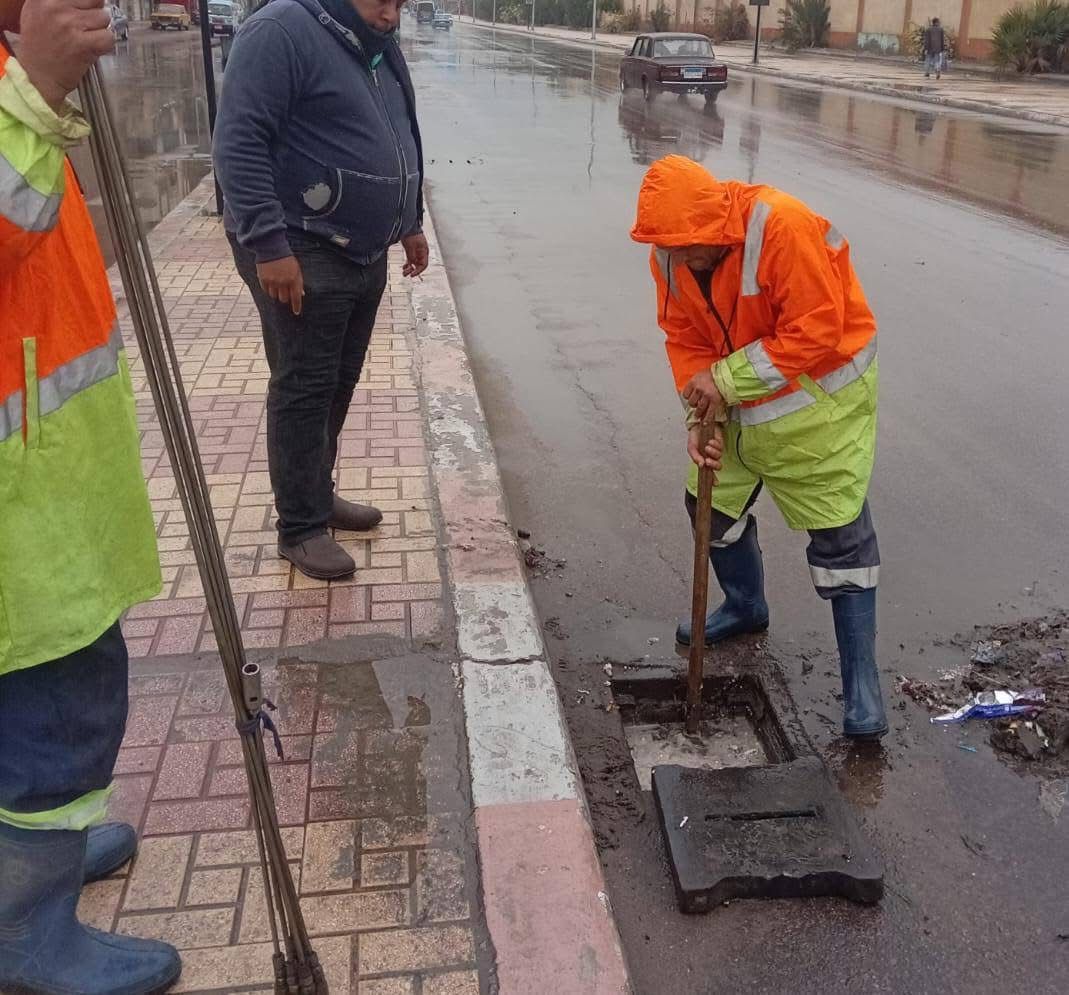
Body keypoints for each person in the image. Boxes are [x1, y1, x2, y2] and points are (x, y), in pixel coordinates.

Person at [0, 0, 181, 991]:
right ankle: (24, 928)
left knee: (42, 700)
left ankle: (39, 856)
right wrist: (35, 91)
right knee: (57, 712)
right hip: (17, 504)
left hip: (46, 478)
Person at [631, 155, 888, 740]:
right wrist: (700, 416)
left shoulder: (781, 226)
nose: (680, 258)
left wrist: (724, 382)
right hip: (737, 403)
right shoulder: (669, 255)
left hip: (818, 406)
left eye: (690, 246)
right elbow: (685, 338)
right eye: (668, 248)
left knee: (842, 541)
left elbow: (816, 328)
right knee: (709, 508)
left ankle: (862, 686)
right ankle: (746, 606)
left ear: (715, 224)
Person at [214, 0, 428, 581]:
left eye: (400, 2)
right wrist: (269, 245)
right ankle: (301, 527)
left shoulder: (376, 45)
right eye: (383, 1)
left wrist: (409, 220)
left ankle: (316, 492)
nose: (392, 13)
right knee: (305, 386)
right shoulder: (280, 31)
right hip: (300, 243)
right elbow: (238, 141)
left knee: (338, 380)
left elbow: (402, 132)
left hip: (362, 249)